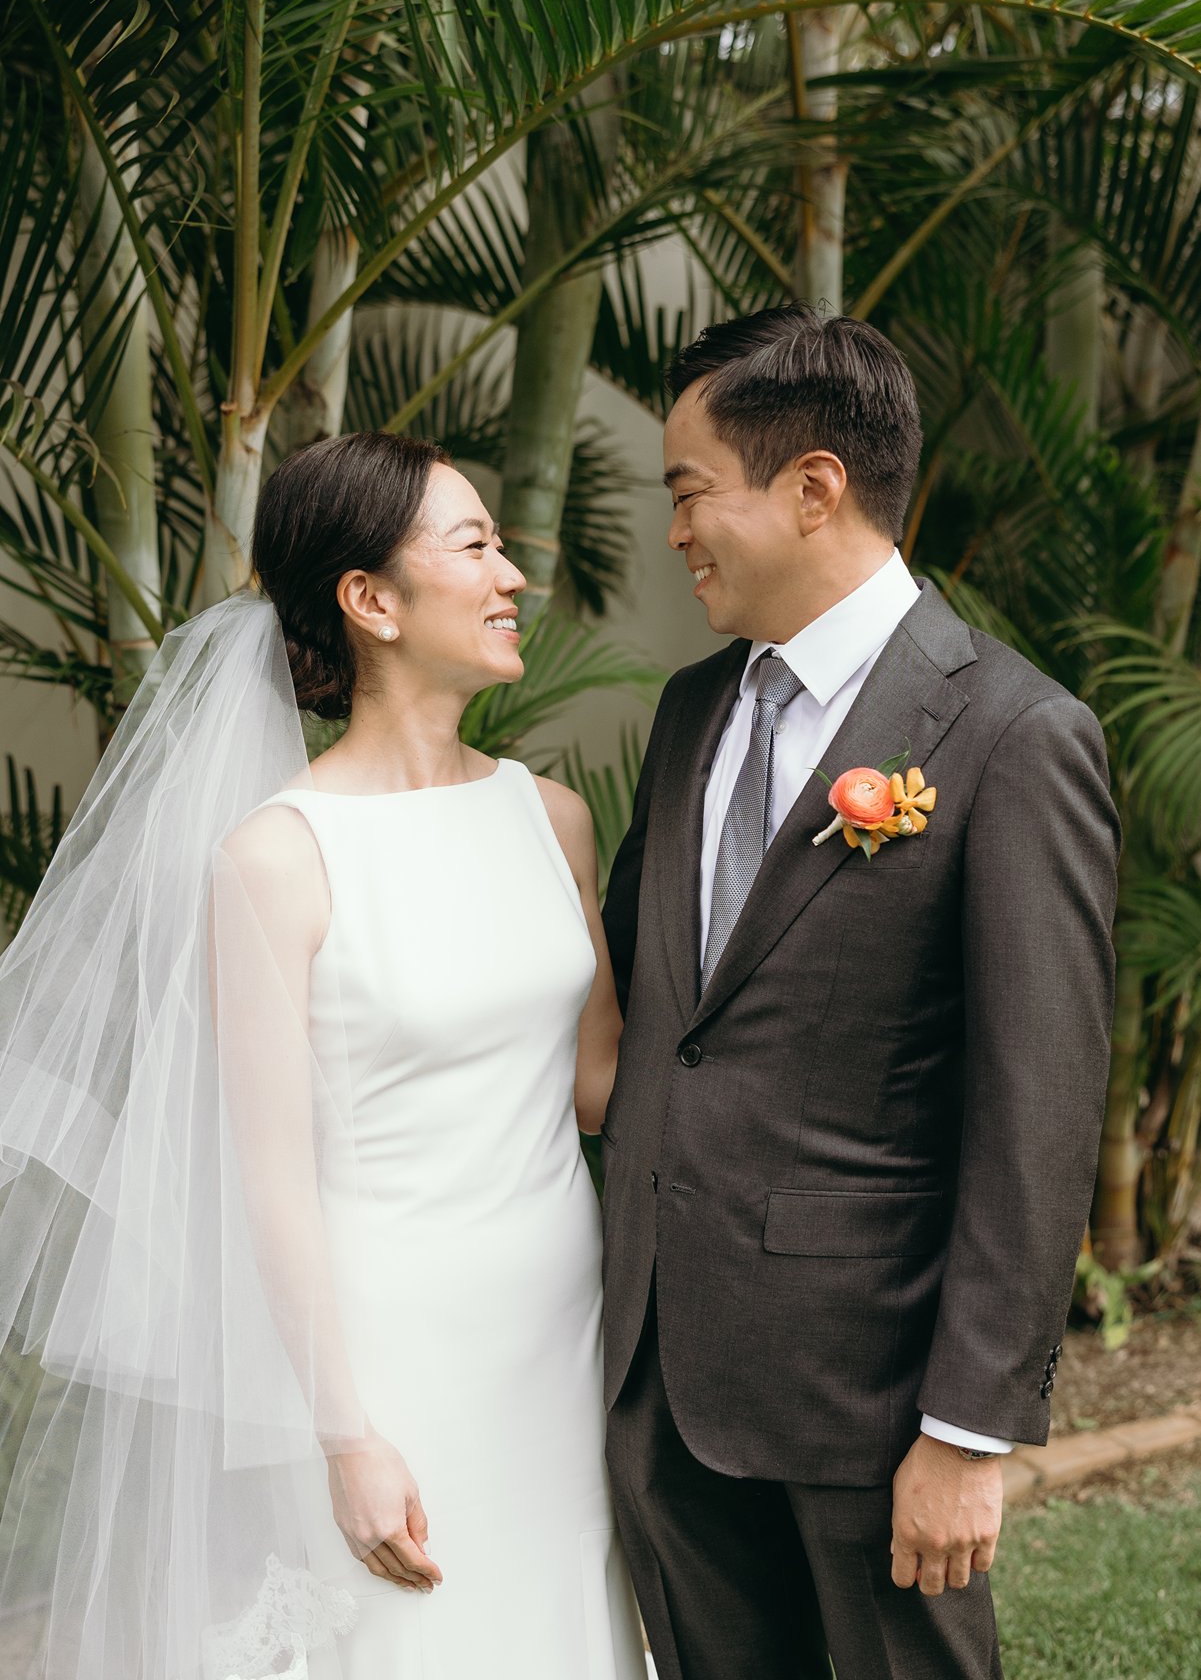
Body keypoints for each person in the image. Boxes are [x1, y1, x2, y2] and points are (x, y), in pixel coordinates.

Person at [0, 433, 645, 1679]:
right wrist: (345, 1434)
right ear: (369, 601)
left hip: (564, 1333)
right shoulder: (276, 859)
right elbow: (266, 1180)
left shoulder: (548, 814)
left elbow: (602, 1083)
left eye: (502, 544)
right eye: (475, 546)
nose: (513, 574)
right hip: (393, 1354)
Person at [600, 305, 1121, 1680]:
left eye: (689, 491)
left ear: (814, 487)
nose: (676, 531)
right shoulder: (688, 711)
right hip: (665, 1380)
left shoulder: (1015, 735)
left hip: (869, 1401)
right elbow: (667, 1023)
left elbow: (1040, 1110)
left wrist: (966, 1431)